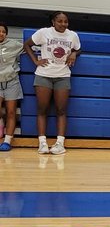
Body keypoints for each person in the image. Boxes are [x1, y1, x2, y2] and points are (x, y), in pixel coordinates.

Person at [24, 12, 81, 155]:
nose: (63, 24)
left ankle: (60, 143)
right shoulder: (43, 33)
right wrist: (36, 61)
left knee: (61, 110)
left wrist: (74, 53)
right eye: (60, 21)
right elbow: (27, 45)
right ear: (53, 22)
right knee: (42, 109)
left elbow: (78, 48)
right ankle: (42, 143)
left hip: (63, 75)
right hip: (43, 75)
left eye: (66, 21)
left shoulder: (72, 35)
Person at [0, 23, 24, 152]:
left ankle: (7, 141)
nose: (1, 33)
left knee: (11, 112)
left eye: (3, 31)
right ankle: (1, 123)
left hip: (11, 82)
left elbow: (28, 48)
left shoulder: (14, 44)